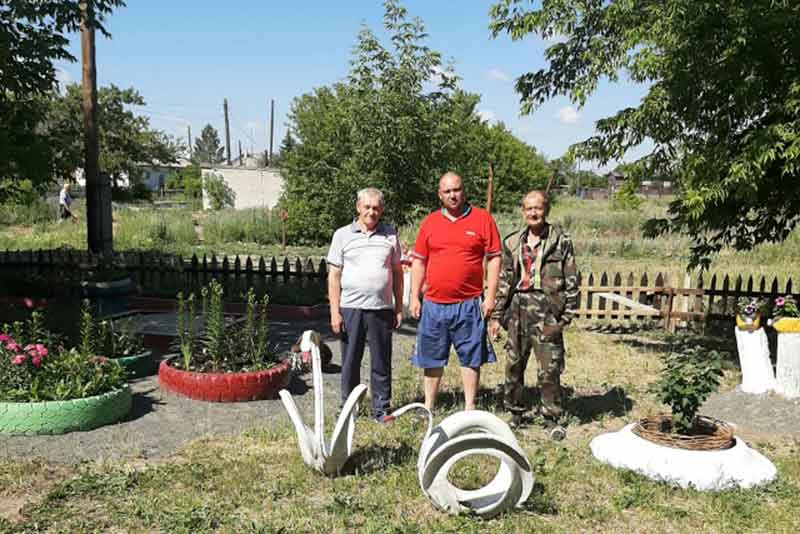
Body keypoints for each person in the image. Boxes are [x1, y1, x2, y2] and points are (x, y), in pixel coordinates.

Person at [408, 172, 501, 411]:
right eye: (447, 191)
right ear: (440, 195)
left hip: (469, 303)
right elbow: (418, 261)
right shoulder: (430, 222)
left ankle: (470, 407)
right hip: (433, 303)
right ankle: (429, 406)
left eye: (456, 190)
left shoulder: (482, 219)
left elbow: (494, 258)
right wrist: (414, 296)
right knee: (431, 357)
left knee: (471, 357)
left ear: (464, 191)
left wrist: (490, 296)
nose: (453, 195)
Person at [489, 190, 578, 436]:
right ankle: (515, 413)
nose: (533, 213)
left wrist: (565, 316)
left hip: (548, 309)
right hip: (518, 308)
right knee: (514, 364)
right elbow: (505, 282)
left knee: (549, 368)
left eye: (537, 208)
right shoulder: (512, 242)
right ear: (523, 211)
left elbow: (572, 280)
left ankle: (551, 417)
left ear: (546, 210)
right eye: (528, 208)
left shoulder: (561, 241)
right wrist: (497, 316)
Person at [326, 187, 404, 421]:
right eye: (367, 207)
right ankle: (349, 408)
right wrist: (334, 312)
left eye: (376, 208)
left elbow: (398, 273)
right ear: (358, 207)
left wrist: (399, 307)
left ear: (382, 210)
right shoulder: (342, 235)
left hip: (381, 308)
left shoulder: (390, 235)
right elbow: (334, 275)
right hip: (351, 308)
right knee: (350, 360)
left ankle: (381, 408)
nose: (372, 212)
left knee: (381, 360)